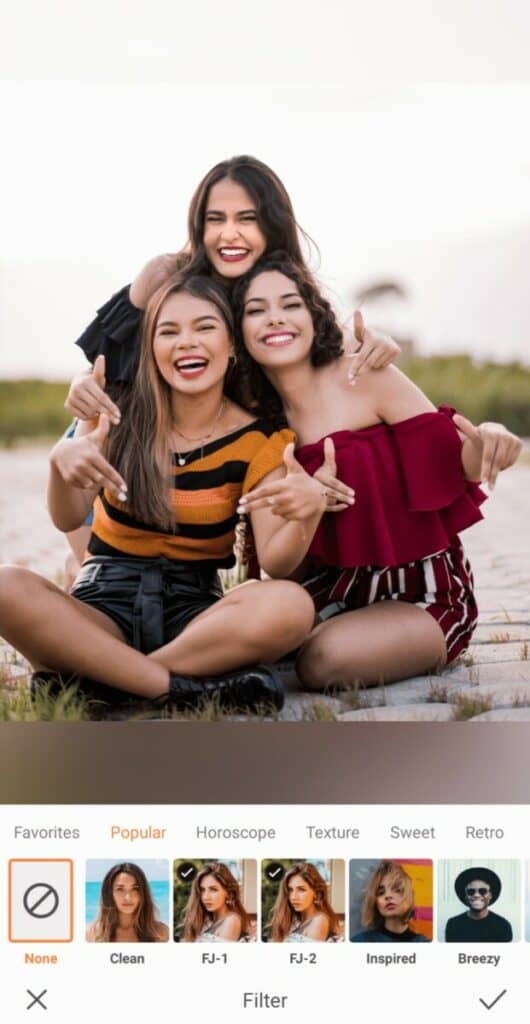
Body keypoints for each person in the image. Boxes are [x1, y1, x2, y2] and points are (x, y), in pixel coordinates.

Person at [0, 274, 322, 715]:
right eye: (168, 332)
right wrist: (62, 462)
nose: (186, 342)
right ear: (151, 349)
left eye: (204, 327)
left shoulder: (259, 441)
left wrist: (307, 514)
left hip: (194, 622)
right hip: (101, 609)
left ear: (232, 346)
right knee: (5, 584)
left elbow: (277, 563)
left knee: (291, 605)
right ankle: (173, 687)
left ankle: (109, 682)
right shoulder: (118, 412)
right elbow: (66, 516)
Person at [63, 155, 400, 572]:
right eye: (215, 219)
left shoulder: (281, 284)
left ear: (272, 224)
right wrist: (81, 381)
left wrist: (375, 341)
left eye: (247, 219)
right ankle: (91, 571)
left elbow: (322, 342)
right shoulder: (167, 274)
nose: (229, 234)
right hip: (146, 427)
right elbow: (109, 361)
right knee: (86, 436)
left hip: (236, 433)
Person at [233, 253, 523, 689]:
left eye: (290, 304)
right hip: (330, 595)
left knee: (323, 661)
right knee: (236, 623)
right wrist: (308, 506)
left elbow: (458, 460)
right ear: (239, 331)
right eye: (256, 310)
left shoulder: (364, 375)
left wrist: (490, 438)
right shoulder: (256, 425)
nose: (276, 319)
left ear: (314, 315)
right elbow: (281, 569)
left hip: (423, 596)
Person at [86, 862, 169, 942]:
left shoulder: (161, 933)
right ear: (109, 893)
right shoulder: (93, 935)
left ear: (143, 893)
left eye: (135, 888)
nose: (128, 897)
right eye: (120, 889)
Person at [351, 861, 429, 942]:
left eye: (397, 890)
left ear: (410, 896)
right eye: (381, 892)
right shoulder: (360, 942)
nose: (388, 896)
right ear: (375, 902)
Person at [268, 862, 341, 942]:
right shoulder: (295, 920)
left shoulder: (319, 921)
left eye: (301, 890)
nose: (293, 897)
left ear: (316, 893)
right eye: (290, 890)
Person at [180, 863, 253, 942]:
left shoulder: (231, 921)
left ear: (228, 893)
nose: (205, 897)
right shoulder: (206, 919)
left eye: (213, 890)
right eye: (202, 890)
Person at [445, 867, 513, 942]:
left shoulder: (502, 926)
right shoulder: (453, 924)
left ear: (490, 895)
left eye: (482, 891)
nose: (476, 895)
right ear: (465, 896)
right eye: (471, 891)